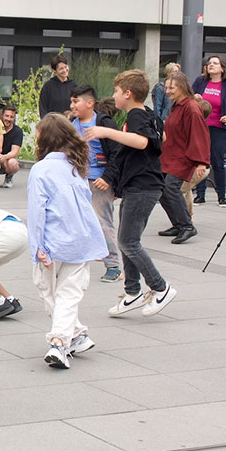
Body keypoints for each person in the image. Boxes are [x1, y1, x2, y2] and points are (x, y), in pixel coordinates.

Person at [83, 69, 177, 318]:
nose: (113, 95)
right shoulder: (148, 114)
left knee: (128, 241)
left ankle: (161, 288)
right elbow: (161, 137)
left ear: (128, 93)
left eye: (116, 91)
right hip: (140, 185)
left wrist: (106, 132)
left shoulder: (136, 114)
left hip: (143, 186)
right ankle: (132, 291)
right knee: (127, 240)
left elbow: (143, 142)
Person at [28, 114, 108, 369]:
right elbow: (86, 208)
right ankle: (76, 335)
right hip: (79, 242)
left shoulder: (40, 170)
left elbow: (36, 211)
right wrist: (97, 243)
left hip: (53, 242)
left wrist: (37, 246)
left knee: (50, 292)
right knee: (68, 294)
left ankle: (59, 342)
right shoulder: (76, 168)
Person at [69, 85, 123, 283]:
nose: (72, 105)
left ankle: (114, 267)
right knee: (79, 221)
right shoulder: (71, 124)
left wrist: (108, 177)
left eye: (76, 101)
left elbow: (118, 152)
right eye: (72, 101)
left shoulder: (103, 123)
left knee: (102, 222)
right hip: (77, 180)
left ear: (90, 103)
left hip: (99, 180)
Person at [157, 72, 210, 245]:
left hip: (183, 157)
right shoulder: (178, 105)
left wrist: (201, 161)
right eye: (166, 88)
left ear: (181, 87)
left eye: (171, 88)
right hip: (171, 155)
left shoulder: (191, 108)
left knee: (171, 188)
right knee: (162, 190)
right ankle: (178, 224)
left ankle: (187, 226)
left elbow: (199, 135)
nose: (168, 92)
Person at [192, 55, 226, 207]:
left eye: (215, 63)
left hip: (219, 127)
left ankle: (222, 196)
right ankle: (200, 195)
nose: (211, 65)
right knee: (201, 159)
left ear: (222, 68)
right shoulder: (200, 82)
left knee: (217, 161)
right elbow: (188, 100)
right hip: (201, 126)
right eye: (209, 63)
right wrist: (194, 98)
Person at [38, 54, 75, 118]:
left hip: (71, 124)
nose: (65, 70)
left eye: (65, 67)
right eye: (61, 68)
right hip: (53, 124)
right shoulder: (48, 87)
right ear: (54, 70)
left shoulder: (74, 86)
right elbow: (43, 108)